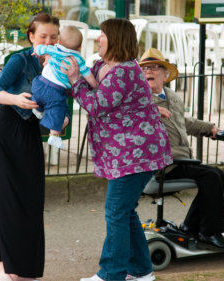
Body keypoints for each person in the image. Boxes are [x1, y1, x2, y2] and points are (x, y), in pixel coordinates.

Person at [62, 19, 173, 281]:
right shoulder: (103, 66)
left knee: (115, 211)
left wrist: (76, 80)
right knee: (124, 210)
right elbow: (90, 89)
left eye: (102, 35)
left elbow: (98, 105)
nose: (98, 39)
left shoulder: (124, 71)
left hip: (137, 155)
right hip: (125, 155)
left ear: (116, 40)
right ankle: (142, 272)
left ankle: (111, 274)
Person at [0, 13, 64, 281]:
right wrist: (16, 99)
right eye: (43, 36)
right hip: (4, 135)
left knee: (31, 203)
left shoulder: (62, 63)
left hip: (30, 136)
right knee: (6, 203)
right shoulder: (19, 60)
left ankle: (27, 269)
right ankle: (3, 267)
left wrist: (61, 119)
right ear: (31, 36)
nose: (48, 41)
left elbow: (64, 106)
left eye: (53, 36)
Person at [138, 47, 224, 250]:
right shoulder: (140, 102)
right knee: (211, 177)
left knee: (218, 176)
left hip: (182, 160)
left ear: (165, 75)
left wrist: (210, 128)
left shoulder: (172, 97)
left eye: (155, 67)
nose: (148, 72)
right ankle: (210, 233)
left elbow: (184, 122)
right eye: (145, 68)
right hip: (163, 163)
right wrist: (150, 111)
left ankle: (192, 226)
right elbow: (133, 119)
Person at [31, 25, 98, 149]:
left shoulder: (53, 49)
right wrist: (95, 86)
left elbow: (40, 48)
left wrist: (37, 51)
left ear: (59, 42)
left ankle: (38, 108)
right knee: (59, 110)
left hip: (39, 83)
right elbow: (88, 75)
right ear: (80, 47)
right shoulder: (78, 59)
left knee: (39, 98)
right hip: (55, 91)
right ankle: (54, 136)